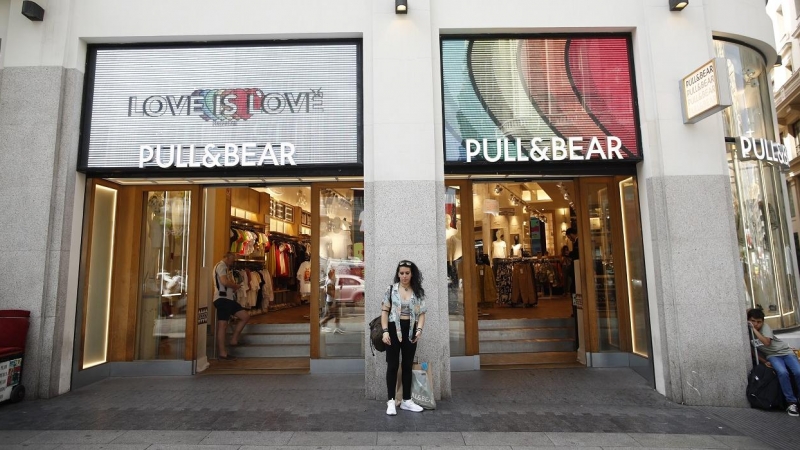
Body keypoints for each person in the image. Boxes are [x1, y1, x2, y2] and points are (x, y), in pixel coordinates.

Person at [381, 260, 427, 415]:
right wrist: (385, 331)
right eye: (401, 273)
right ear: (398, 274)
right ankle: (391, 401)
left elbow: (421, 313)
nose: (404, 276)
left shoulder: (417, 291)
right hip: (394, 329)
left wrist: (419, 329)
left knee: (407, 365)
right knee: (392, 365)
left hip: (410, 330)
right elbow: (385, 312)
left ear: (412, 274)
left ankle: (407, 400)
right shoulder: (391, 289)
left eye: (407, 273)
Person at [747, 308, 800, 416]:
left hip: (785, 351)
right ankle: (791, 402)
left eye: (759, 322)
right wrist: (764, 361)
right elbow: (752, 351)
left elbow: (766, 342)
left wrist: (754, 330)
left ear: (762, 321)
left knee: (798, 372)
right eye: (753, 321)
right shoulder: (746, 332)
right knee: (782, 372)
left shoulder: (764, 327)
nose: (756, 324)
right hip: (772, 356)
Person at [212, 252, 250, 361]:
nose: (232, 262)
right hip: (222, 299)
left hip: (228, 299)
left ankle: (234, 339)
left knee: (245, 316)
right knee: (223, 325)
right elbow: (224, 282)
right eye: (232, 260)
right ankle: (223, 353)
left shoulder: (225, 268)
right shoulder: (221, 266)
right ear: (227, 258)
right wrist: (235, 286)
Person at [320, 268, 343, 334]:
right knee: (331, 316)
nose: (335, 274)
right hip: (331, 301)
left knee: (336, 315)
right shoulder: (330, 282)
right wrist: (335, 299)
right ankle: (321, 324)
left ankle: (337, 328)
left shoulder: (328, 280)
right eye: (333, 273)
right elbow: (330, 292)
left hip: (329, 300)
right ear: (331, 274)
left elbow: (325, 289)